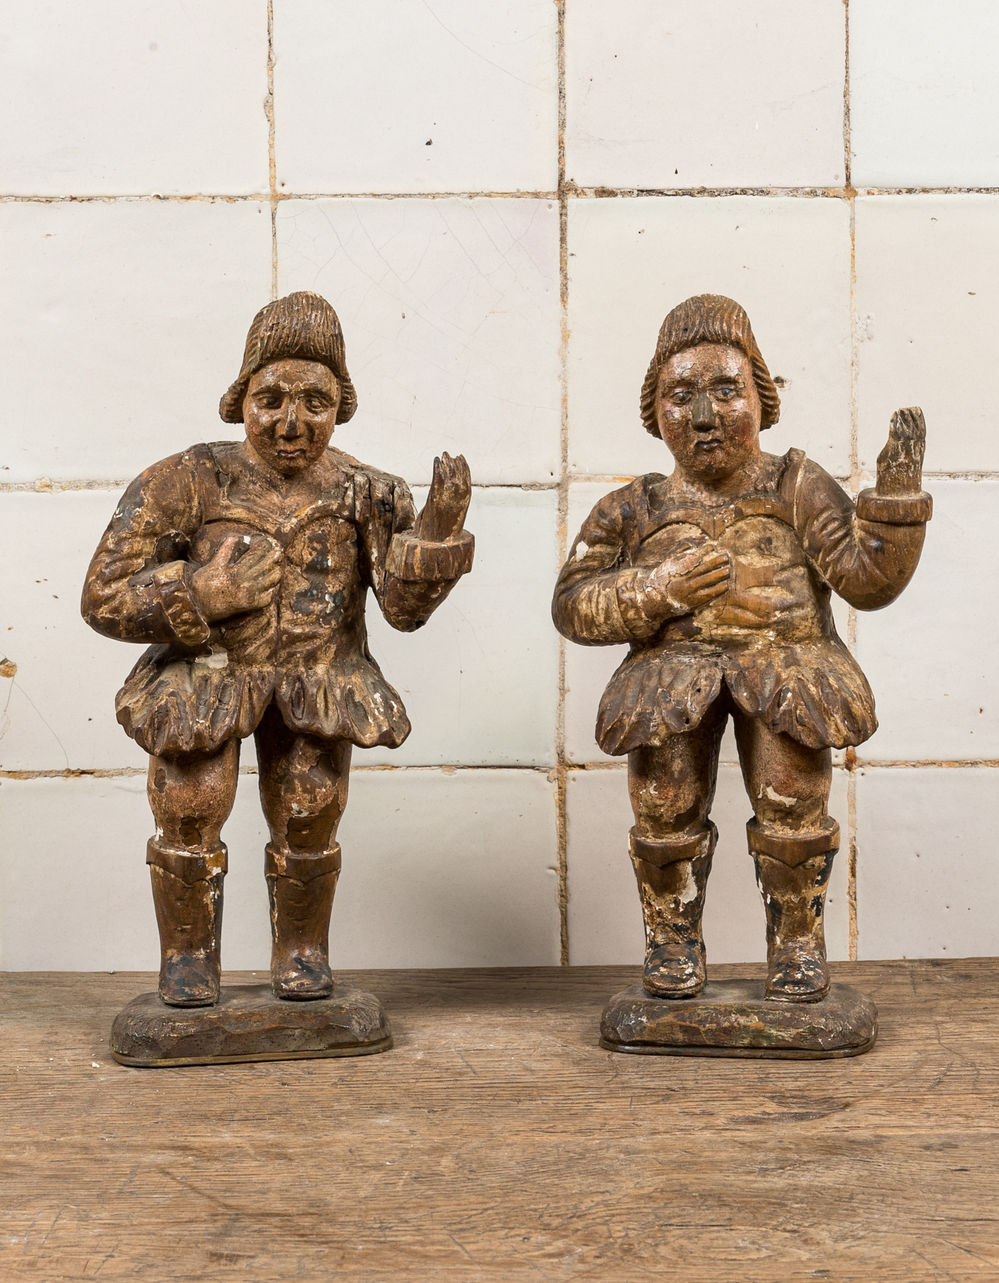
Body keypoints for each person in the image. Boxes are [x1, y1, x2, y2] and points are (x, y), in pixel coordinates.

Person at [83, 292, 473, 1008]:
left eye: (315, 402)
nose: (292, 423)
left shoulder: (370, 493)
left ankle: (301, 953)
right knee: (190, 806)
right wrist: (199, 593)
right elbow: (104, 595)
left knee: (309, 810)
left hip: (317, 680)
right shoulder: (185, 481)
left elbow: (403, 612)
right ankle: (188, 960)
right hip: (205, 682)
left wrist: (438, 537)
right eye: (271, 399)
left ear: (340, 406)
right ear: (240, 399)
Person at [553, 294, 930, 1003]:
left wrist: (894, 502)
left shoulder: (797, 486)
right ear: (654, 412)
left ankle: (794, 943)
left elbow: (867, 580)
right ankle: (671, 939)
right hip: (669, 677)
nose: (703, 417)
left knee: (792, 798)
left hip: (788, 670)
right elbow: (573, 605)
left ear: (760, 396)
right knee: (665, 805)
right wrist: (656, 590)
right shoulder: (633, 508)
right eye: (680, 396)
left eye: (726, 391)